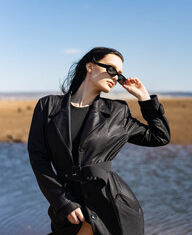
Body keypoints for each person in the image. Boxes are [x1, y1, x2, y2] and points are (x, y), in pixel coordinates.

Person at [28, 47, 170, 235]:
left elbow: (160, 136)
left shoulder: (117, 112)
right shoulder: (48, 106)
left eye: (119, 75)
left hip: (113, 207)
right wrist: (62, 201)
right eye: (111, 70)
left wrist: (144, 98)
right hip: (70, 208)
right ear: (90, 66)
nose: (115, 78)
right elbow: (39, 160)